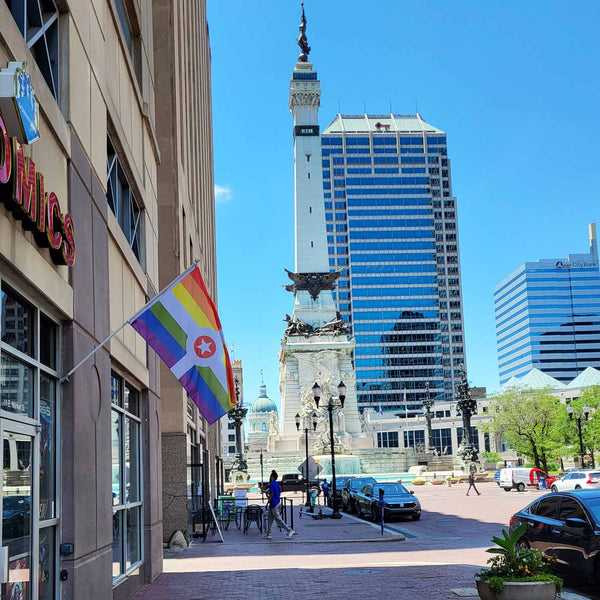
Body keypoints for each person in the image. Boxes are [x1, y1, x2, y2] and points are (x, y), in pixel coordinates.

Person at [264, 470, 296, 540]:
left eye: (270, 477)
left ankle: (289, 530)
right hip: (277, 502)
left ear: (272, 477)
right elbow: (278, 492)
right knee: (270, 519)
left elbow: (271, 495)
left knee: (278, 519)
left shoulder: (272, 484)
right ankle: (268, 533)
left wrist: (267, 501)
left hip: (273, 504)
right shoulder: (277, 484)